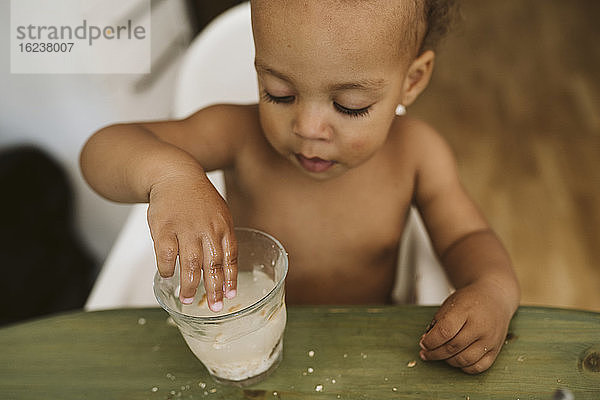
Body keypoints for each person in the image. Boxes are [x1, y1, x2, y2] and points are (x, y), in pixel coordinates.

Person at [80, 0, 520, 374]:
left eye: (350, 106)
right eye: (279, 93)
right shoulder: (238, 135)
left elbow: (467, 236)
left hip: (370, 349)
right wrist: (167, 175)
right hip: (245, 347)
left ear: (412, 80)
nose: (308, 128)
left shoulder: (417, 153)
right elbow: (101, 151)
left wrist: (492, 290)